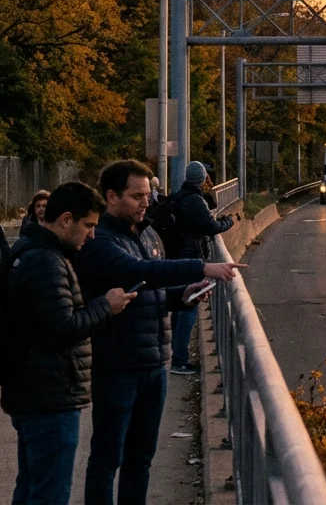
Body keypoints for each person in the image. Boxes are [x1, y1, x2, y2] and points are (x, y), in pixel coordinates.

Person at [75, 160, 244, 505]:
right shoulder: (100, 240)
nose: (146, 202)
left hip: (155, 364)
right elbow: (139, 271)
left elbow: (146, 291)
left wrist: (180, 297)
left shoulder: (148, 233)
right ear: (111, 197)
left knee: (141, 458)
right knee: (108, 457)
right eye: (136, 196)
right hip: (117, 366)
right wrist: (202, 265)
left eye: (147, 194)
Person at [3, 182, 135, 505]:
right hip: (51, 397)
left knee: (32, 487)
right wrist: (107, 305)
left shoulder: (30, 251)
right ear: (65, 220)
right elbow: (64, 326)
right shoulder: (47, 262)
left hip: (34, 394)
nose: (92, 235)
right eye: (88, 226)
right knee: (49, 494)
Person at [168, 161, 235, 374]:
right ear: (203, 178)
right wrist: (229, 222)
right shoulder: (195, 200)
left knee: (180, 304)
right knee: (189, 307)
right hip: (191, 257)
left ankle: (177, 354)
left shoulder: (178, 196)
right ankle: (179, 360)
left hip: (176, 255)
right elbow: (211, 227)